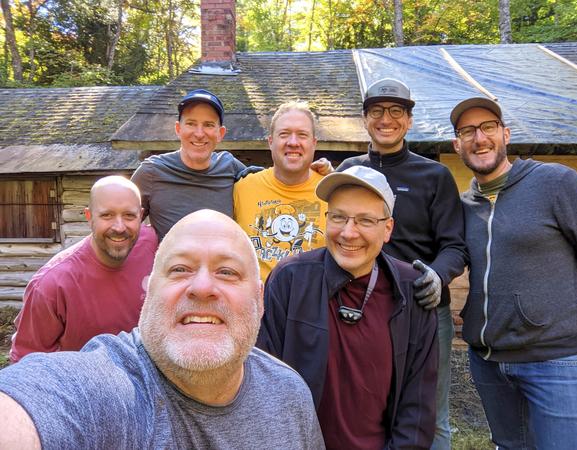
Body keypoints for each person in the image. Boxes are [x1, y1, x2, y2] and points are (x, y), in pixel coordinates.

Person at [0, 210, 325, 450]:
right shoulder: (106, 390)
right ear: (149, 293)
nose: (201, 287)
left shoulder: (290, 396)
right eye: (180, 269)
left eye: (226, 272)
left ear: (259, 300)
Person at [451, 97, 577, 449]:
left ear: (506, 134)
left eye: (488, 127)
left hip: (557, 363)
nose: (479, 138)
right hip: (489, 363)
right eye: (467, 131)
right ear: (457, 144)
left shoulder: (556, 183)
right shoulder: (462, 205)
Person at [257, 166, 438, 449]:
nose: (348, 233)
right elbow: (262, 383)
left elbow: (418, 405)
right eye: (339, 217)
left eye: (365, 221)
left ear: (387, 228)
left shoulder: (412, 290)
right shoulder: (289, 280)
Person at [337, 78, 467, 449]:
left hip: (424, 309)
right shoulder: (349, 170)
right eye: (377, 111)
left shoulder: (434, 176)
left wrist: (437, 277)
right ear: (365, 118)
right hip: (358, 308)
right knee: (364, 406)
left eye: (397, 111)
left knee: (430, 415)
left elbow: (455, 246)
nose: (386, 119)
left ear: (409, 120)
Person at [132, 89, 332, 240]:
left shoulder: (230, 167)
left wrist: (326, 173)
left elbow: (274, 180)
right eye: (191, 123)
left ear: (221, 133)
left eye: (209, 125)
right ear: (178, 129)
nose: (199, 133)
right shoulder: (151, 173)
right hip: (175, 282)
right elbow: (121, 225)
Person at [9, 176, 158, 363]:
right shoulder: (51, 285)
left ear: (141, 215)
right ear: (89, 217)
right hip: (85, 387)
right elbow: (27, 363)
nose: (119, 227)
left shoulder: (155, 245)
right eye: (107, 215)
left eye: (129, 215)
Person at [234, 101, 327, 280]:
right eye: (284, 134)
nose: (293, 142)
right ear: (270, 141)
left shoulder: (332, 192)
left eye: (302, 135)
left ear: (314, 143)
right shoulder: (242, 189)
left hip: (310, 303)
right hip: (256, 305)